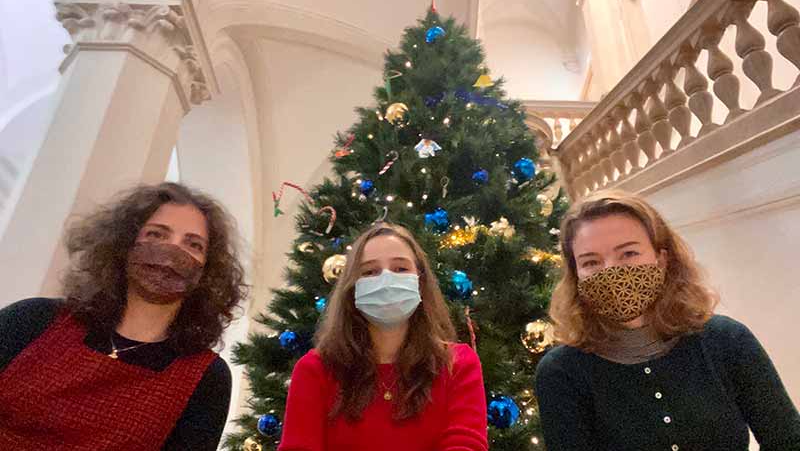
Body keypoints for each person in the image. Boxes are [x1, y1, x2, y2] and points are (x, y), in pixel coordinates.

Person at [535, 189, 800, 451]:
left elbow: (787, 440)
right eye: (591, 262)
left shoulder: (727, 340)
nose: (611, 272)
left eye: (628, 254)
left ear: (661, 259)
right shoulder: (561, 372)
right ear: (576, 274)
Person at [0, 182, 248, 450]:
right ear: (124, 245)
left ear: (207, 272)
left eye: (194, 245)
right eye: (156, 234)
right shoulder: (33, 319)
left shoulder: (207, 379)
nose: (172, 251)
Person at [278, 223, 488, 451]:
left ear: (420, 281)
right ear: (352, 288)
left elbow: (466, 445)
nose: (386, 280)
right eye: (369, 272)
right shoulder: (314, 370)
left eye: (400, 269)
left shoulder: (458, 364)